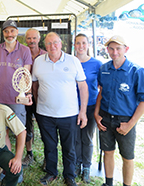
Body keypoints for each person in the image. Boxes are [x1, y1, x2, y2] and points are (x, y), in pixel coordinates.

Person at [32, 32, 88, 186]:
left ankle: (69, 176)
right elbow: (34, 86)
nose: (52, 46)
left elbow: (83, 87)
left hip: (69, 114)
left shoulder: (73, 61)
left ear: (61, 43)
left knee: (69, 148)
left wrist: (82, 112)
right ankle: (51, 172)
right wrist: (38, 106)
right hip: (45, 114)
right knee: (49, 146)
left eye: (55, 42)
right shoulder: (38, 62)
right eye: (48, 43)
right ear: (45, 46)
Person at [94, 35, 144, 186]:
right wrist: (96, 114)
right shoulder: (104, 69)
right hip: (105, 118)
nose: (114, 52)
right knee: (107, 152)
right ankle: (108, 183)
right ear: (107, 50)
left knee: (127, 157)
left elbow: (143, 100)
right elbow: (101, 92)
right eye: (111, 48)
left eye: (118, 48)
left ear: (126, 49)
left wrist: (130, 124)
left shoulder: (136, 71)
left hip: (125, 120)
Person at [0, 19, 32, 150]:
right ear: (3, 33)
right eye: (6, 31)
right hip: (0, 98)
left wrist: (27, 94)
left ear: (17, 32)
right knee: (2, 131)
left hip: (17, 99)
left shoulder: (25, 50)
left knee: (19, 131)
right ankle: (7, 160)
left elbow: (27, 75)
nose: (9, 34)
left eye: (12, 31)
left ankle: (18, 161)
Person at [74, 33, 102, 183]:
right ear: (74, 45)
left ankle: (86, 167)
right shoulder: (71, 62)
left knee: (88, 138)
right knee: (76, 138)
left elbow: (100, 87)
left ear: (89, 45)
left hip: (90, 106)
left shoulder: (96, 64)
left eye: (83, 43)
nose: (81, 46)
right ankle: (77, 164)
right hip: (72, 106)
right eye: (78, 43)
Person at [22, 28, 47, 168]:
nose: (31, 41)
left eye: (34, 38)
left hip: (42, 96)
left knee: (45, 127)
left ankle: (47, 156)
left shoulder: (45, 55)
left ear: (39, 39)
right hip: (25, 96)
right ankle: (29, 153)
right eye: (29, 38)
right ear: (26, 40)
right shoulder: (21, 54)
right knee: (27, 126)